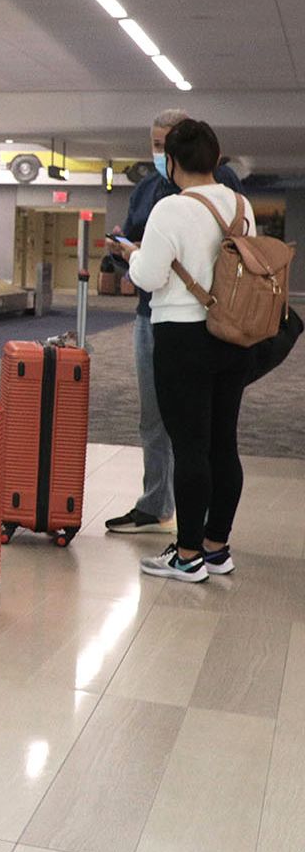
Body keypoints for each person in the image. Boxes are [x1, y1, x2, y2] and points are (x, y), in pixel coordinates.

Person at [114, 117, 250, 583]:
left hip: (182, 337)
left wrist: (133, 256)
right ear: (215, 157)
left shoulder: (170, 209)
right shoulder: (240, 205)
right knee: (223, 443)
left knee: (189, 446)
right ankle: (216, 547)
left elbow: (149, 277)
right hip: (232, 334)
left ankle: (187, 554)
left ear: (172, 161)